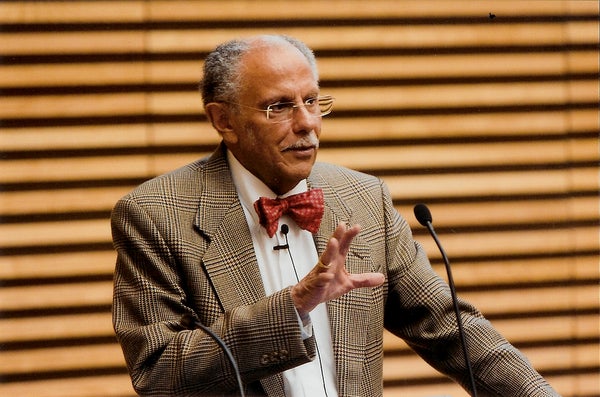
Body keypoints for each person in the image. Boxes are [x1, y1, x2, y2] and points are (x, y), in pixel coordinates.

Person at [111, 34, 559, 397]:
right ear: (223, 120)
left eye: (313, 101)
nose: (307, 123)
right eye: (280, 106)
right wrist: (292, 308)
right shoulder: (156, 216)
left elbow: (449, 328)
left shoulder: (362, 197)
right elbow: (158, 370)